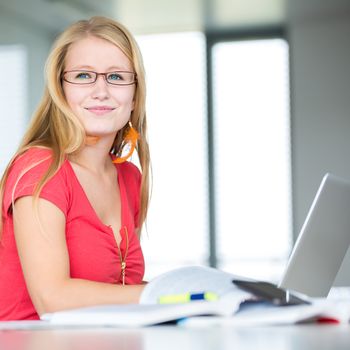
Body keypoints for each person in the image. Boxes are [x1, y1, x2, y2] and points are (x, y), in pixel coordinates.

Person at [0, 16, 150, 320]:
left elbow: (119, 291)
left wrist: (199, 291)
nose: (101, 91)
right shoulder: (40, 168)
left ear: (134, 97)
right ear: (60, 90)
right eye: (83, 76)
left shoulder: (129, 178)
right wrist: (160, 294)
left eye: (117, 77)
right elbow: (52, 298)